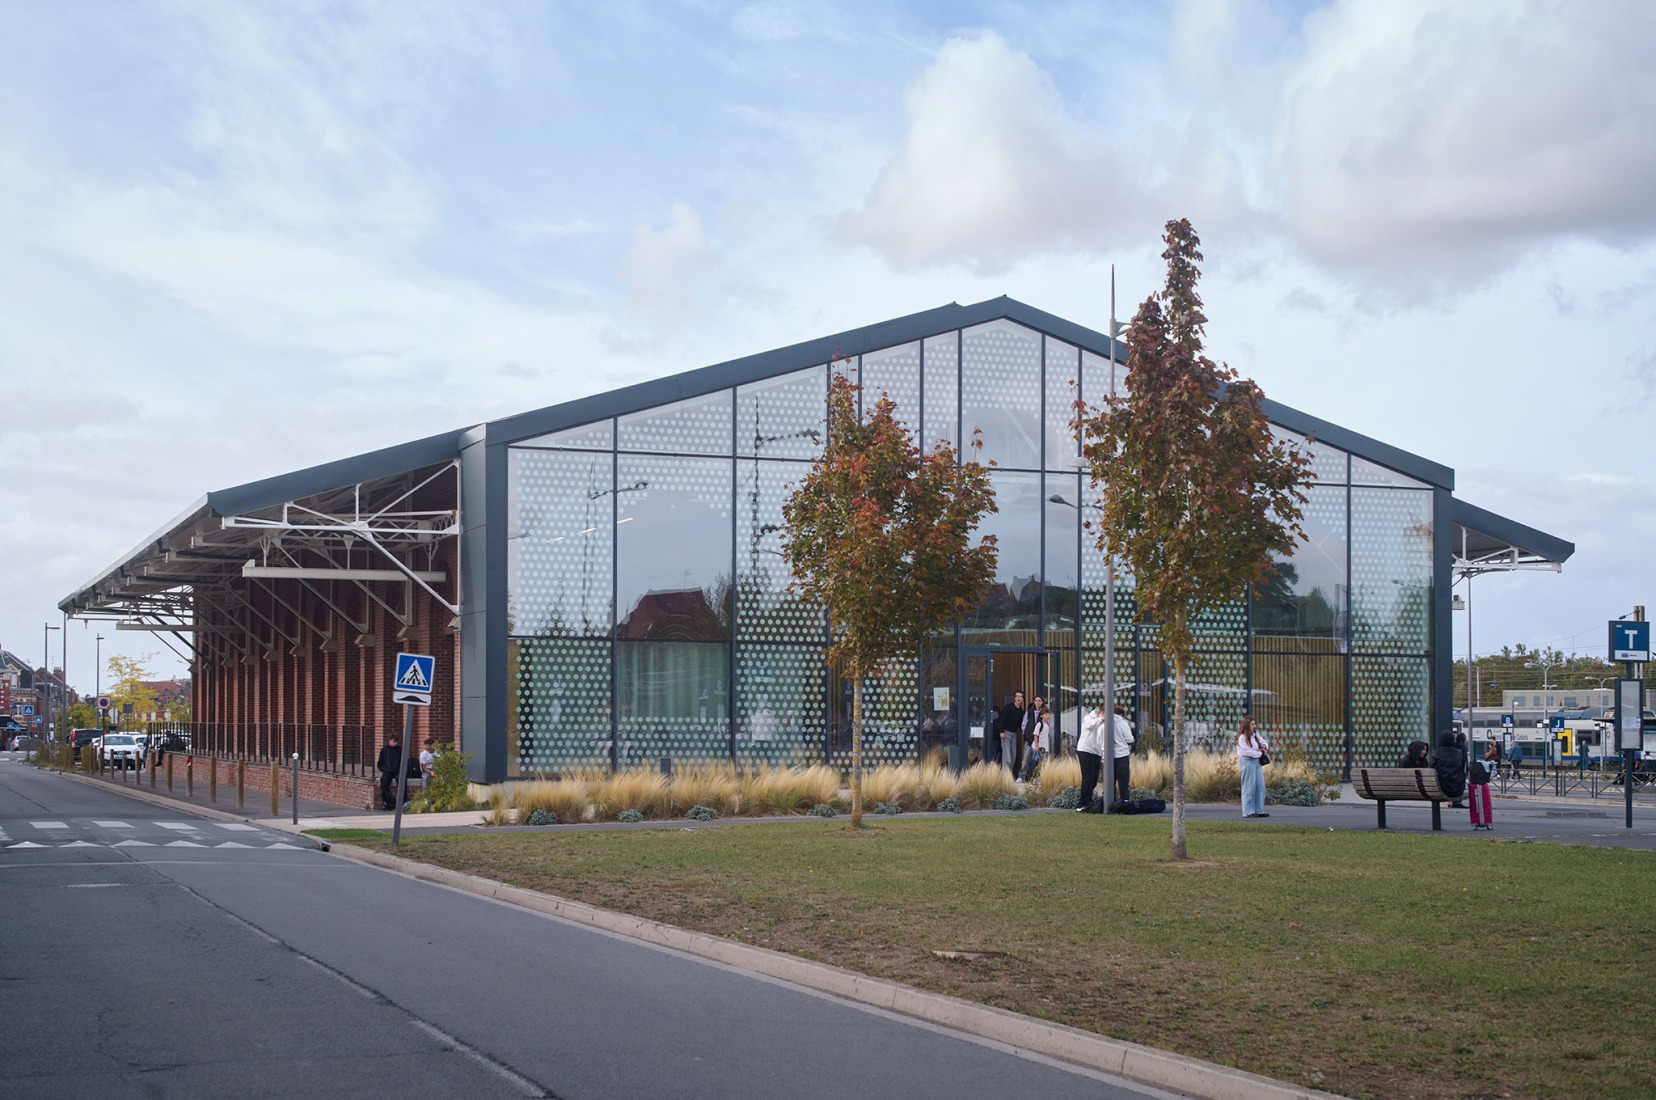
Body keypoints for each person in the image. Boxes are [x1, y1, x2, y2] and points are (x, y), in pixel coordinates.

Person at [1236, 716, 1269, 818]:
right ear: (1246, 725)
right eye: (1252, 724)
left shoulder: (1255, 735)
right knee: (1249, 786)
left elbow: (1264, 742)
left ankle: (1259, 809)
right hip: (1247, 762)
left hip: (1256, 762)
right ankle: (1248, 811)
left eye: (1254, 724)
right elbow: (1247, 751)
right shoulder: (1242, 738)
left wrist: (1264, 747)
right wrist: (1259, 753)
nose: (1254, 726)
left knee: (1260, 786)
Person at [1076, 705, 1106, 810]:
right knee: (1087, 778)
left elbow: (1103, 740)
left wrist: (1102, 758)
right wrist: (1100, 719)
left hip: (1096, 752)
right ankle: (1082, 802)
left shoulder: (1103, 723)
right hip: (1085, 750)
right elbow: (1090, 725)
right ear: (1102, 713)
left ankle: (1088, 799)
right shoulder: (1088, 718)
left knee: (1094, 779)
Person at [1432, 730, 1467, 809]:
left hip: (1440, 788)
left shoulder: (1436, 752)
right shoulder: (1458, 752)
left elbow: (1431, 767)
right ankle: (1457, 802)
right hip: (1456, 790)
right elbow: (1463, 766)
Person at [996, 689, 1026, 775]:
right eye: (1017, 696)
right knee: (1007, 756)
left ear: (1022, 699)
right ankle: (1005, 776)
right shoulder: (1008, 707)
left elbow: (1020, 724)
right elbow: (1002, 720)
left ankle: (1009, 774)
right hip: (1006, 733)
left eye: (1020, 697)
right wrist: (1001, 731)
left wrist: (1025, 731)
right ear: (1014, 698)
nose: (1019, 698)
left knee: (1013, 755)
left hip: (1014, 734)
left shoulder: (1020, 711)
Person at [1110, 705, 1135, 805]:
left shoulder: (1105, 723)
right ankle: (1124, 801)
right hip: (1121, 754)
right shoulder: (1122, 723)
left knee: (1110, 780)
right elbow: (1129, 739)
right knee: (1123, 780)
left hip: (1108, 756)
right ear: (1121, 714)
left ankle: (1110, 801)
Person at [1468, 743, 1496, 830]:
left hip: (1473, 786)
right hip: (1482, 785)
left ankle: (1475, 822)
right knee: (1485, 803)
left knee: (1474, 804)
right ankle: (1487, 822)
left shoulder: (1492, 749)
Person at [376, 732, 407, 811]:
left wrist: (400, 769)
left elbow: (403, 761)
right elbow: (380, 764)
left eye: (396, 742)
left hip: (397, 770)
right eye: (393, 741)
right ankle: (388, 802)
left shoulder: (400, 750)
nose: (395, 743)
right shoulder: (384, 750)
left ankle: (402, 802)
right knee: (384, 783)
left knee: (402, 782)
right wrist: (385, 769)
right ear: (390, 740)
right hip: (388, 771)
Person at [1019, 706, 1051, 782]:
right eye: (1046, 714)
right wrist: (1037, 746)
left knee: (1043, 763)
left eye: (1048, 714)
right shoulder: (1039, 724)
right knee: (1035, 763)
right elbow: (1036, 735)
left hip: (1044, 748)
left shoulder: (1047, 725)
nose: (1047, 716)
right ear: (1042, 715)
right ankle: (1031, 777)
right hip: (1038, 748)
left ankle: (1038, 777)